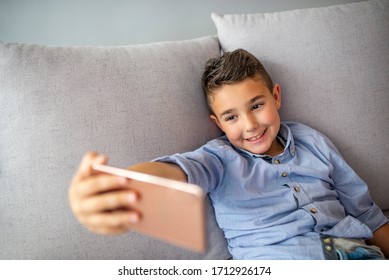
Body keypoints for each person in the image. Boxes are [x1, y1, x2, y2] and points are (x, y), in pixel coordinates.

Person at [68, 49, 389, 260]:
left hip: (359, 256)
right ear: (218, 123)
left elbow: (367, 216)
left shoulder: (313, 141)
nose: (250, 125)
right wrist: (127, 184)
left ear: (275, 96)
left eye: (257, 105)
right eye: (232, 117)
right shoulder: (219, 159)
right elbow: (179, 171)